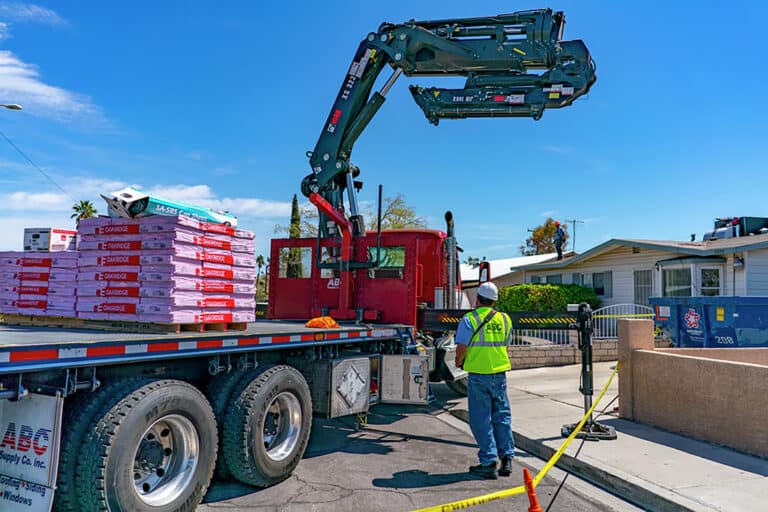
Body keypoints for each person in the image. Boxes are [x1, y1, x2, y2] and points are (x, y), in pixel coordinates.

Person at [454, 282, 514, 479]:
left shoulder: (469, 319)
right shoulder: (505, 319)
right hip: (499, 374)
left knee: (481, 419)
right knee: (502, 415)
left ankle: (488, 462)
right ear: (494, 301)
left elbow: (462, 347)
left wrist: (459, 361)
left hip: (479, 375)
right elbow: (505, 344)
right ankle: (506, 459)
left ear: (477, 299)